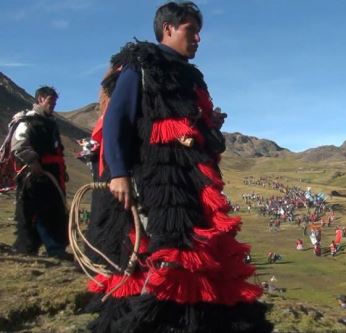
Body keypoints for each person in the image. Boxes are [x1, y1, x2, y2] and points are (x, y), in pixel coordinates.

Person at [84, 2, 272, 332]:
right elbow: (117, 121)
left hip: (191, 184)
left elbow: (196, 132)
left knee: (198, 254)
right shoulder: (140, 66)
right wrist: (118, 173)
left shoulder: (192, 77)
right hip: (157, 183)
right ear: (168, 28)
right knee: (164, 256)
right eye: (191, 29)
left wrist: (207, 124)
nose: (198, 37)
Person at [10, 86, 70, 260]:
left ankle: (56, 248)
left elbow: (56, 149)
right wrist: (32, 161)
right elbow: (19, 144)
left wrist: (62, 169)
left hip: (52, 176)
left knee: (54, 210)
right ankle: (28, 247)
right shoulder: (27, 121)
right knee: (33, 212)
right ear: (40, 99)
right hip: (34, 176)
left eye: (55, 102)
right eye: (51, 101)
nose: (54, 105)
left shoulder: (51, 123)